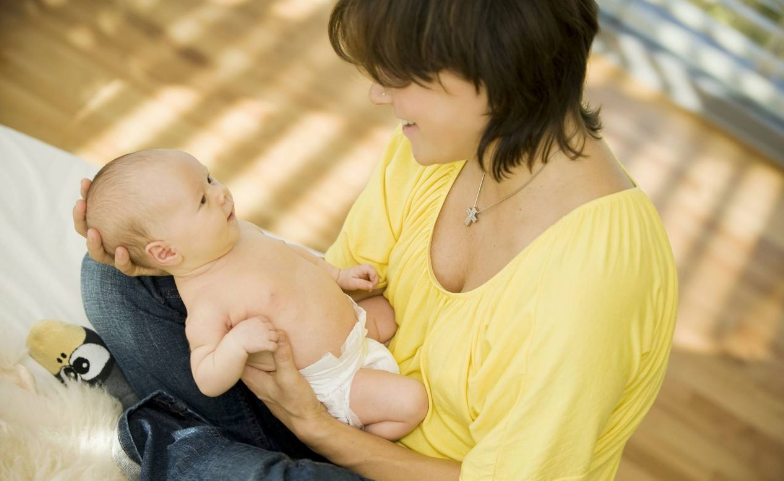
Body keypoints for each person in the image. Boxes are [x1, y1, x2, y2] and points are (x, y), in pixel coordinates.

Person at [73, 0, 679, 479]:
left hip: (386, 457)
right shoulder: (440, 149)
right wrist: (183, 260)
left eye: (398, 77)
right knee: (117, 277)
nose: (378, 94)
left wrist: (318, 429)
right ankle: (188, 446)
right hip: (340, 394)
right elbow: (328, 291)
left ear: (492, 76)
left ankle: (159, 438)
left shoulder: (589, 287)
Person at [83, 149, 427, 440]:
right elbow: (206, 376)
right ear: (165, 253)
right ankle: (360, 437)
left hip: (356, 330)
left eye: (210, 178)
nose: (221, 193)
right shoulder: (206, 302)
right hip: (336, 381)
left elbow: (294, 256)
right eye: (202, 199)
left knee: (394, 306)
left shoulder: (242, 233)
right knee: (412, 402)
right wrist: (237, 345)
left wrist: (339, 275)